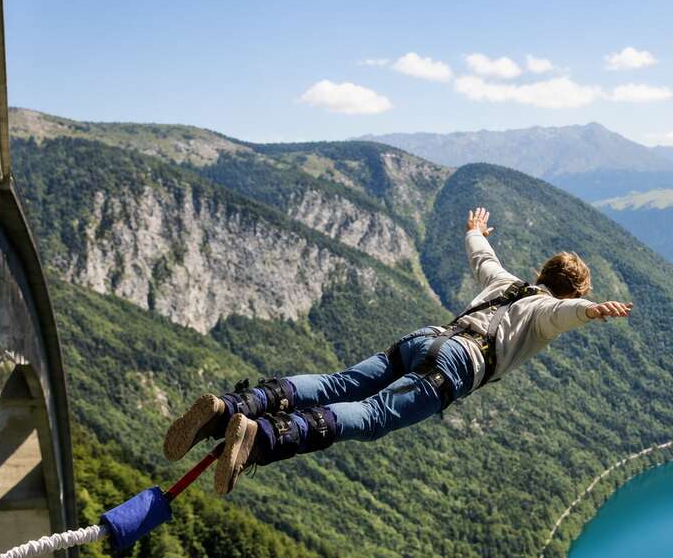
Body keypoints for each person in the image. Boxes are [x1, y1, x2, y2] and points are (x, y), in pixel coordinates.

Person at [163, 207, 634, 494]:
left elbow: (481, 255)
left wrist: (474, 230)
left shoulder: (505, 281)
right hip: (456, 365)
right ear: (572, 291)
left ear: (542, 273)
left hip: (425, 339)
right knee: (372, 417)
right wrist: (591, 311)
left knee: (336, 384)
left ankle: (231, 407)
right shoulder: (547, 310)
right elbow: (561, 315)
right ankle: (263, 437)